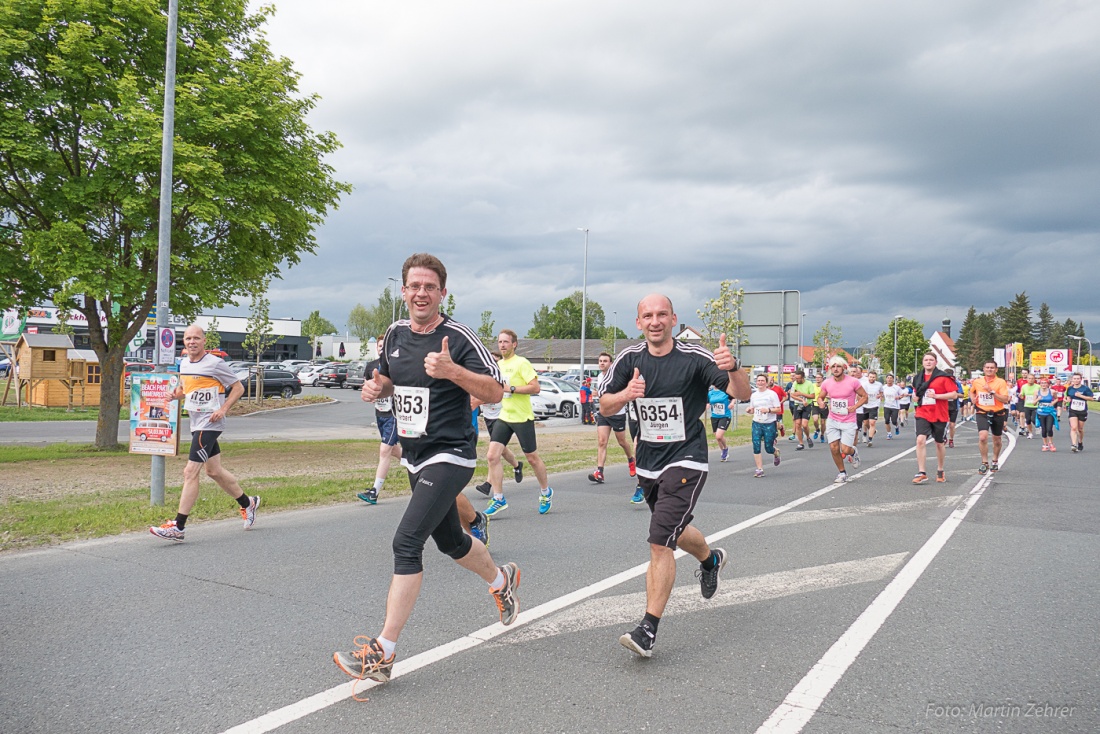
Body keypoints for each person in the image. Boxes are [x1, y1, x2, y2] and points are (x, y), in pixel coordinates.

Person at [333, 253, 520, 684]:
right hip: (414, 455)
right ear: (404, 292)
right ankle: (501, 581)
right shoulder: (395, 333)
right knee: (452, 543)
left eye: (429, 287)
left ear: (442, 293)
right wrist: (376, 386)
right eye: (414, 286)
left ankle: (383, 652)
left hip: (451, 453)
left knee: (406, 542)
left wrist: (453, 370)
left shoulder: (459, 337)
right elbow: (388, 378)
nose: (421, 294)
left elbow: (494, 390)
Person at [597, 294, 751, 658]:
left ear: (673, 319)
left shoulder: (694, 358)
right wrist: (625, 395)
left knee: (659, 542)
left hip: (687, 459)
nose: (655, 321)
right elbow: (603, 404)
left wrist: (734, 367)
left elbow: (741, 392)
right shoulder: (629, 359)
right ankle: (711, 560)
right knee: (674, 531)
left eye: (661, 314)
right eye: (647, 315)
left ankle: (647, 629)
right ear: (639, 322)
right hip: (649, 461)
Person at [150, 325, 258, 542]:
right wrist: (175, 395)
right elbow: (186, 389)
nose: (192, 342)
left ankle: (178, 526)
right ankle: (249, 503)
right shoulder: (185, 363)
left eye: (196, 338)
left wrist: (223, 409)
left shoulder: (215, 363)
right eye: (188, 338)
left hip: (210, 424)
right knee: (214, 471)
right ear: (184, 341)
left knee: (190, 472)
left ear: (204, 341)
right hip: (196, 423)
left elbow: (238, 388)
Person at [484, 330, 554, 516]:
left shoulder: (522, 363)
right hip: (505, 416)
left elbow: (535, 387)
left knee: (532, 458)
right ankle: (498, 498)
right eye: (499, 342)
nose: (502, 345)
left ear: (514, 344)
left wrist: (512, 389)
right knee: (492, 456)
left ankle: (546, 492)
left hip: (522, 418)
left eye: (506, 342)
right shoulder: (497, 364)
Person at [357, 336, 403, 506]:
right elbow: (366, 386)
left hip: (394, 415)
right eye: (379, 346)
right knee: (394, 451)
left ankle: (374, 492)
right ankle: (418, 467)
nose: (381, 349)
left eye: (384, 346)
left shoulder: (395, 366)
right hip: (380, 414)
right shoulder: (371, 366)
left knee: (384, 450)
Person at [817, 356, 868, 484]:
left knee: (845, 449)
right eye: (833, 366)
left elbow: (864, 397)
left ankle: (853, 452)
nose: (835, 369)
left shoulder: (853, 382)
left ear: (844, 368)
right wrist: (821, 403)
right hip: (833, 419)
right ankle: (842, 472)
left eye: (838, 366)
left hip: (848, 420)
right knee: (834, 448)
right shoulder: (827, 383)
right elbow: (820, 397)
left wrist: (855, 406)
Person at [589, 352, 638, 486]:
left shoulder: (617, 376)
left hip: (618, 413)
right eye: (600, 361)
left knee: (622, 442)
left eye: (605, 361)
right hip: (604, 413)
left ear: (611, 363)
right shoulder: (599, 377)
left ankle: (630, 460)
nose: (602, 363)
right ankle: (599, 472)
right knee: (602, 442)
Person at [911, 353, 958, 484]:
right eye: (926, 360)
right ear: (922, 362)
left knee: (939, 443)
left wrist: (937, 396)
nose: (928, 362)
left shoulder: (943, 377)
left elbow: (954, 395)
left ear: (936, 362)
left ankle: (940, 469)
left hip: (939, 414)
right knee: (920, 440)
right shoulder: (917, 378)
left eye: (931, 360)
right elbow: (916, 394)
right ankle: (922, 472)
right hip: (922, 413)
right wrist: (915, 399)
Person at [970, 360, 1010, 474]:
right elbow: (972, 392)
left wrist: (992, 392)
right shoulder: (977, 382)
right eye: (987, 367)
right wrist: (973, 398)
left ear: (996, 370)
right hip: (982, 412)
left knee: (997, 439)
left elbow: (1005, 399)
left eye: (992, 368)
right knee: (983, 437)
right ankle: (984, 463)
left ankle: (995, 460)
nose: (989, 369)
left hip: (997, 413)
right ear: (983, 369)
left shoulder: (1000, 382)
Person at [747, 374, 782, 476]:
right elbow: (752, 409)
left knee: (768, 448)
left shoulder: (772, 394)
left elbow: (778, 409)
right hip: (757, 423)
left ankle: (775, 452)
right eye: (758, 381)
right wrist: (749, 410)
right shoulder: (754, 395)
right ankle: (759, 469)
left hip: (769, 423)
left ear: (766, 383)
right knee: (756, 445)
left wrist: (768, 410)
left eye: (762, 381)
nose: (760, 382)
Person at [1065, 373, 1095, 452]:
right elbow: (1068, 396)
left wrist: (1080, 396)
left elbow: (1091, 398)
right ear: (1072, 380)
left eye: (1078, 378)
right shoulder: (1070, 388)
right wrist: (1067, 400)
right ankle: (1074, 445)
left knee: (1080, 429)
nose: (1076, 380)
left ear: (1080, 379)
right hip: (1072, 409)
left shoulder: (1085, 388)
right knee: (1074, 428)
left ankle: (1080, 442)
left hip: (1082, 410)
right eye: (1074, 378)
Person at [788, 370, 816, 450]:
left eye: (798, 378)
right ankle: (801, 443)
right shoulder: (795, 383)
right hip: (798, 405)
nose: (796, 380)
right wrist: (801, 400)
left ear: (802, 378)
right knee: (797, 424)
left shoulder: (809, 384)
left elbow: (812, 396)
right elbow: (792, 395)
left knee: (804, 424)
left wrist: (802, 394)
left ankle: (808, 437)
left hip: (807, 405)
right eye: (795, 378)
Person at [707, 384, 732, 462]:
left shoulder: (726, 391)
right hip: (714, 416)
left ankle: (725, 448)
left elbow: (734, 397)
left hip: (725, 416)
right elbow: (708, 402)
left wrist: (732, 403)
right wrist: (707, 405)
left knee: (719, 436)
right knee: (717, 437)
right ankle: (723, 451)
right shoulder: (710, 393)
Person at [1035, 377, 1060, 451]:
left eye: (1045, 383)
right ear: (1040, 384)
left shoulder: (1052, 391)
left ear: (1048, 384)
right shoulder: (1037, 392)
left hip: (1050, 412)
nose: (1043, 385)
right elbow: (1033, 403)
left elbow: (1056, 399)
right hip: (1041, 412)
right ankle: (1045, 444)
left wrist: (1052, 403)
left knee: (1049, 428)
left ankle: (1051, 443)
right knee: (1044, 429)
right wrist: (1038, 399)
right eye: (1042, 383)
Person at [861, 370, 883, 447]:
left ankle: (870, 439)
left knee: (872, 422)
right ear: (868, 377)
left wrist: (880, 396)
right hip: (865, 405)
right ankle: (873, 431)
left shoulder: (879, 384)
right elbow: (860, 393)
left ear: (875, 377)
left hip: (874, 405)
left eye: (873, 377)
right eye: (870, 377)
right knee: (866, 423)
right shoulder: (864, 384)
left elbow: (881, 392)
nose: (872, 378)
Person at [944, 369, 962, 448]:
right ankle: (943, 437)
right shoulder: (942, 383)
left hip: (954, 406)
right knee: (943, 424)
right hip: (944, 406)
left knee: (952, 425)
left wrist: (953, 394)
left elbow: (962, 395)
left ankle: (951, 439)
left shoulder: (957, 383)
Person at [1019, 373, 1040, 439]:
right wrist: (1020, 396)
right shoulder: (1024, 386)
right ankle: (1030, 433)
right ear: (1027, 379)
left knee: (1033, 419)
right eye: (1029, 378)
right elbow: (1022, 395)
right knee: (1028, 420)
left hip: (1035, 406)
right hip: (1027, 405)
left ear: (1034, 379)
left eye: (1032, 378)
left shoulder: (1038, 386)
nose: (1031, 380)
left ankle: (1038, 426)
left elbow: (1041, 395)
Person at [881, 374, 901, 440]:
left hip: (895, 406)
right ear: (886, 379)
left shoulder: (897, 388)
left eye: (891, 378)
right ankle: (889, 434)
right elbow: (881, 395)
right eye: (888, 378)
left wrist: (899, 397)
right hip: (886, 406)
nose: (889, 379)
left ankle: (896, 426)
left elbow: (902, 395)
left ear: (893, 379)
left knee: (894, 421)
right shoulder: (883, 387)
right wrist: (880, 397)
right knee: (886, 420)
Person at [811, 373, 826, 441]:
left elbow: (830, 394)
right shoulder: (812, 386)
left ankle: (822, 434)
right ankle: (817, 429)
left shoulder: (825, 386)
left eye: (819, 377)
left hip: (823, 404)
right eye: (816, 377)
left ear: (822, 378)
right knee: (815, 419)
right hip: (815, 404)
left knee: (823, 422)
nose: (817, 379)